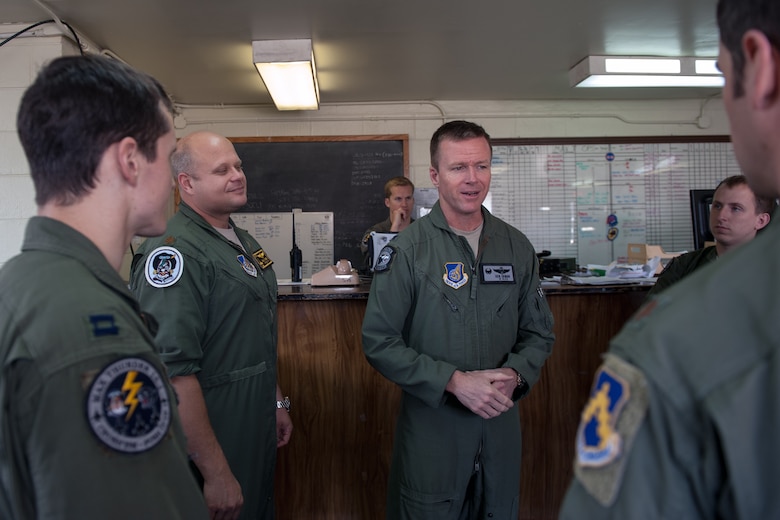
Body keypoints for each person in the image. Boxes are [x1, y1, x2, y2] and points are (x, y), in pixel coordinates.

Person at [559, 0, 780, 517]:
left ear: (760, 67)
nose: (723, 216)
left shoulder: (676, 341)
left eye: (725, 75)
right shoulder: (686, 282)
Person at [0, 55, 208, 518]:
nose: (175, 178)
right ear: (130, 161)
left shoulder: (20, 286)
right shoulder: (92, 331)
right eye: (169, 156)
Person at [361, 120, 555, 519]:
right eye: (458, 168)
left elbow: (539, 332)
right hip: (434, 429)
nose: (472, 179)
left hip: (500, 424)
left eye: (481, 166)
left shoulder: (516, 246)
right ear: (435, 175)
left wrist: (515, 376)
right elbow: (379, 341)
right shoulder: (408, 250)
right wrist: (453, 381)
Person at [130, 131, 293, 520]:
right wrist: (215, 472)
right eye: (222, 170)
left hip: (251, 424)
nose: (238, 175)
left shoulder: (240, 239)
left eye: (237, 165)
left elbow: (253, 332)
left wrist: (276, 400)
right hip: (213, 436)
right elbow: (171, 371)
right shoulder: (174, 252)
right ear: (187, 183)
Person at [647, 174, 773, 296]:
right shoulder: (683, 266)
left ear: (760, 221)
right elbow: (650, 316)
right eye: (717, 206)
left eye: (736, 208)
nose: (721, 216)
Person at [359, 176, 415, 270]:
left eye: (408, 198)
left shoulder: (422, 230)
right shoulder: (375, 233)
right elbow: (374, 264)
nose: (404, 204)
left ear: (413, 200)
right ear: (387, 202)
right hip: (385, 284)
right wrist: (394, 228)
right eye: (398, 199)